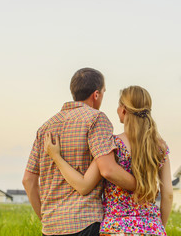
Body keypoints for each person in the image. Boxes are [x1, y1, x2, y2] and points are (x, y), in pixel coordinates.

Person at [44, 85, 173, 236]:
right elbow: (168, 194)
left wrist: (57, 157)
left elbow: (83, 185)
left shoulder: (112, 145)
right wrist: (157, 226)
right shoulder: (160, 147)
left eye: (119, 105)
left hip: (115, 228)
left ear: (124, 110)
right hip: (153, 228)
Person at [22, 68, 136, 236]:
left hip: (51, 227)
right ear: (96, 95)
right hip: (85, 223)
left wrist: (46, 218)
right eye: (103, 92)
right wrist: (142, 187)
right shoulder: (96, 119)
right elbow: (108, 169)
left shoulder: (45, 128)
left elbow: (28, 181)